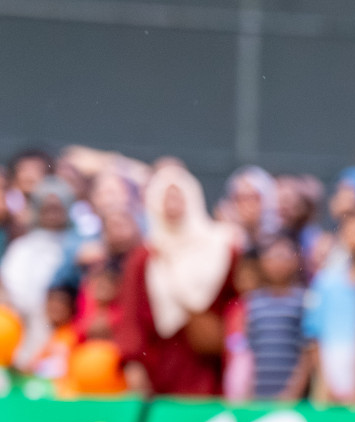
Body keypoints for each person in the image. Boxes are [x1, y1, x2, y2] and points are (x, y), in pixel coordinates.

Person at [114, 164, 240, 396]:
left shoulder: (222, 248)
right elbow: (131, 317)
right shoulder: (145, 256)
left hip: (209, 367)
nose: (172, 205)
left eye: (178, 197)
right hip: (159, 367)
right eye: (165, 197)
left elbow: (235, 306)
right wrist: (133, 364)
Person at [0, 177, 77, 365]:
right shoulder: (22, 247)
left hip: (66, 329)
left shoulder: (77, 246)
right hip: (26, 323)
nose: (52, 213)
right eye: (46, 207)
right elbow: (12, 287)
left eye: (57, 208)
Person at [303, 210, 355, 402]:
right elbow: (313, 336)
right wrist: (324, 379)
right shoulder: (325, 281)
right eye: (351, 230)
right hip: (330, 375)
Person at [244, 236, 311, 400]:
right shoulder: (253, 302)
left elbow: (307, 351)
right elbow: (248, 352)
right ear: (263, 263)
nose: (277, 264)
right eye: (272, 258)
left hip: (291, 397)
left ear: (295, 262)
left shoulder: (304, 300)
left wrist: (294, 392)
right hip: (258, 394)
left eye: (283, 257)